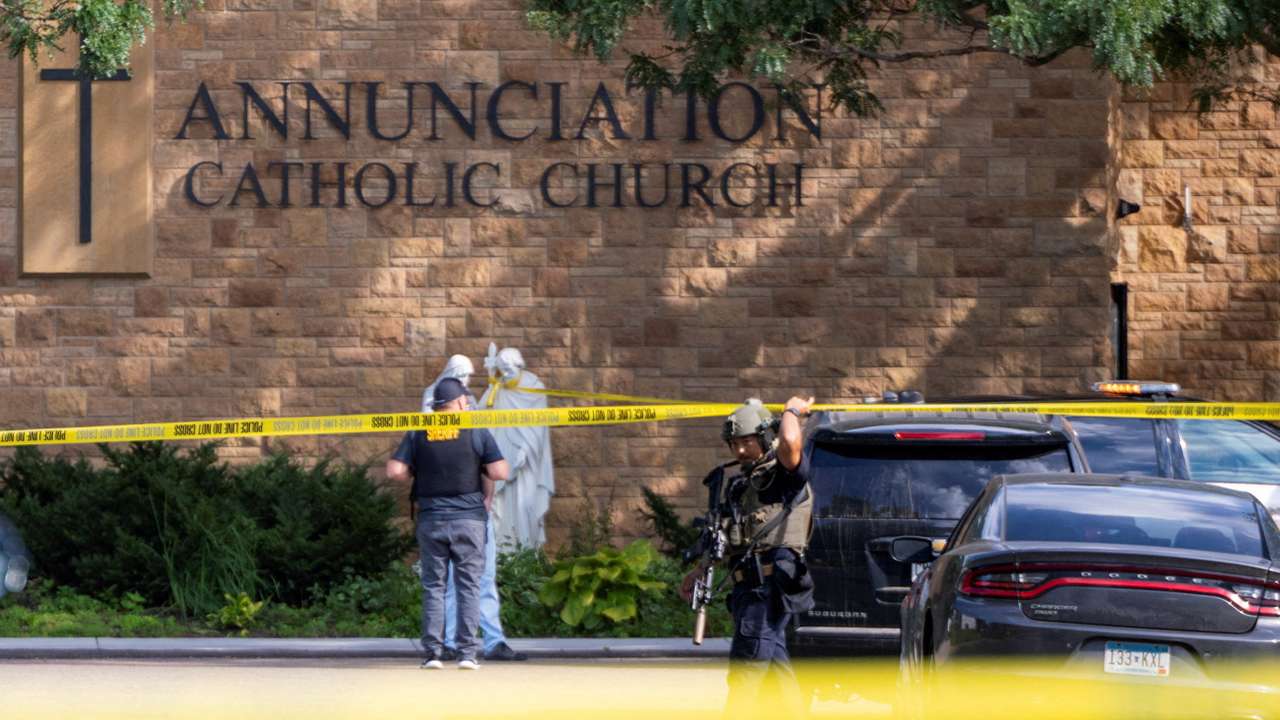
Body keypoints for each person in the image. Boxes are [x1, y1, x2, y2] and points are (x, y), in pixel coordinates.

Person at [681, 396, 816, 715]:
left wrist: (791, 411)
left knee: (746, 674)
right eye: (734, 444)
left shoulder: (782, 476)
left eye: (746, 441)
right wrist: (699, 570)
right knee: (777, 677)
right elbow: (730, 537)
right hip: (748, 590)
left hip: (766, 589)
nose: (739, 450)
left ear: (766, 437)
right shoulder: (743, 484)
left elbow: (791, 443)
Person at [387, 378, 509, 670]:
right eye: (465, 401)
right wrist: (481, 464)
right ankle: (467, 654)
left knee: (434, 586)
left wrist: (416, 471)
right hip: (469, 520)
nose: (467, 405)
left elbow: (395, 471)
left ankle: (433, 653)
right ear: (459, 403)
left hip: (432, 520)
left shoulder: (419, 431)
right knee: (468, 586)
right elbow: (499, 471)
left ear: (436, 406)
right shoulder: (475, 430)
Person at [419, 355, 527, 661]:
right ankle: (452, 642)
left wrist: (488, 498)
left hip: (474, 509)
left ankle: (493, 640)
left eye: (468, 377)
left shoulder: (470, 406)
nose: (466, 384)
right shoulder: (432, 403)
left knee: (483, 576)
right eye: (461, 376)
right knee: (451, 582)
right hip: (446, 510)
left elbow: (486, 459)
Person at [480, 344, 556, 550]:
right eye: (502, 370)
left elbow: (538, 426)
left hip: (526, 460)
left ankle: (525, 549)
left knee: (525, 505)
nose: (505, 374)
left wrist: (526, 449)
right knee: (501, 504)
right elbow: (481, 415)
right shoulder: (499, 388)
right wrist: (491, 384)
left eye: (508, 369)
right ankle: (504, 550)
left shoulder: (534, 387)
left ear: (518, 365)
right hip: (502, 456)